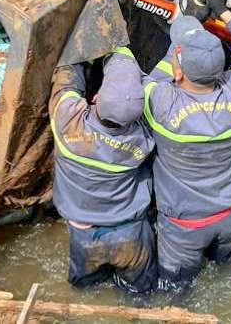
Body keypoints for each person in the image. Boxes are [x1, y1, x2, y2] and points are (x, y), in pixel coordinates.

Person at [142, 0, 231, 289]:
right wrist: (222, 12)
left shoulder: (161, 105)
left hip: (183, 229)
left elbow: (148, 81)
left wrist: (176, 50)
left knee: (176, 292)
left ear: (178, 70)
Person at [50, 46, 158, 293]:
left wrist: (92, 43)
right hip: (131, 235)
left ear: (96, 98)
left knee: (85, 291)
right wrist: (121, 52)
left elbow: (66, 81)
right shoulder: (144, 139)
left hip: (83, 233)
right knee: (140, 295)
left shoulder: (68, 123)